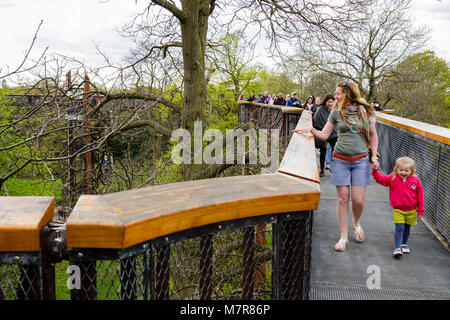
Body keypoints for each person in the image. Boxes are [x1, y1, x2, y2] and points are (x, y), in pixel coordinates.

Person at [293, 81, 379, 252]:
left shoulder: (365, 111)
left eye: (339, 93)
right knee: (342, 198)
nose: (335, 96)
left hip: (361, 160)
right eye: (336, 93)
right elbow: (324, 135)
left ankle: (355, 222)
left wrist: (374, 156)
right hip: (340, 159)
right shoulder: (336, 112)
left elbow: (373, 135)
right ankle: (343, 237)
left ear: (348, 94)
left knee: (358, 200)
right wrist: (309, 130)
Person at [372, 157, 424, 257]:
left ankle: (404, 244)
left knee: (407, 228)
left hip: (411, 210)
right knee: (399, 227)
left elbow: (420, 195)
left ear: (411, 170)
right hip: (398, 209)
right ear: (396, 169)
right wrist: (375, 171)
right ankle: (397, 248)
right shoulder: (393, 178)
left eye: (406, 170)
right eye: (401, 170)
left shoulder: (415, 181)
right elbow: (381, 179)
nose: (403, 172)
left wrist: (420, 210)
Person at [313, 94, 338, 177]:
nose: (330, 103)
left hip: (333, 133)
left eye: (332, 102)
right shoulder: (320, 109)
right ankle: (322, 170)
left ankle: (334, 168)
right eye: (328, 102)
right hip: (323, 132)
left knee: (335, 151)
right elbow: (316, 120)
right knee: (323, 152)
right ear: (325, 102)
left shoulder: (335, 109)